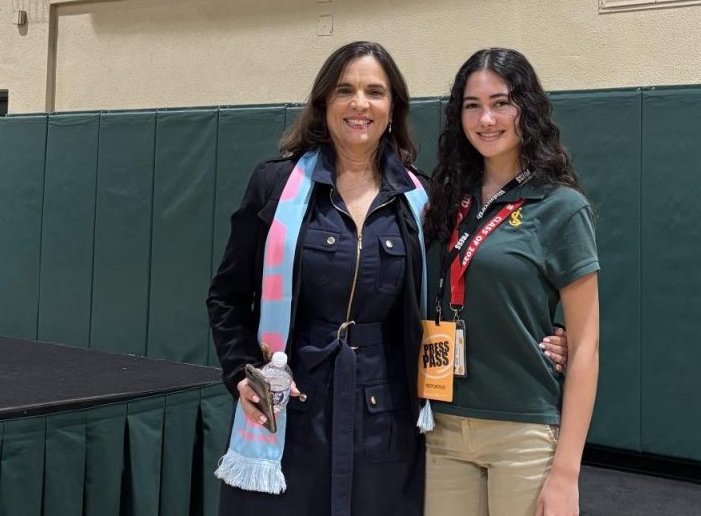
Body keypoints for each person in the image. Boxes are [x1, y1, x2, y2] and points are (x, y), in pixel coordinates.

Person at [207, 41, 570, 516]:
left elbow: (467, 283)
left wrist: (547, 335)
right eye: (346, 90)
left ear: (393, 108)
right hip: (291, 402)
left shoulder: (422, 198)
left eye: (375, 92)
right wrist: (239, 374)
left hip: (386, 408)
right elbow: (228, 296)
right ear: (324, 104)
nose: (360, 104)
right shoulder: (275, 186)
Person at [422, 49, 600, 516]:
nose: (486, 119)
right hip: (441, 426)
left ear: (527, 108)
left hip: (522, 430)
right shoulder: (442, 200)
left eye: (501, 102)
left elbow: (584, 347)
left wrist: (567, 473)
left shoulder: (561, 207)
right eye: (471, 104)